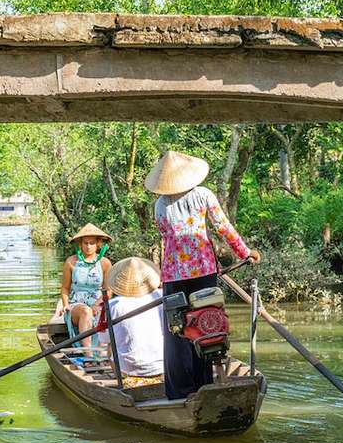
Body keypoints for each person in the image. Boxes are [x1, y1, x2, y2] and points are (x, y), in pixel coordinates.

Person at [146, 149, 255, 399]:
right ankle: (203, 385)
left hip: (173, 275)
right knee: (205, 326)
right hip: (203, 272)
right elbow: (223, 228)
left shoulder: (160, 205)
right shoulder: (203, 195)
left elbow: (166, 237)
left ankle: (179, 392)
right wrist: (245, 252)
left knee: (177, 331)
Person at [103, 256, 167, 379]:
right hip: (164, 365)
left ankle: (121, 380)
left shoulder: (113, 305)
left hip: (128, 369)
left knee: (110, 345)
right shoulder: (161, 296)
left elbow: (105, 339)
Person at [56, 223, 112, 352]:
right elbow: (65, 288)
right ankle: (88, 352)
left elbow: (108, 291)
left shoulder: (105, 263)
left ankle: (106, 352)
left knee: (112, 312)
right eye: (85, 243)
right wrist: (65, 305)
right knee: (86, 312)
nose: (88, 246)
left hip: (98, 303)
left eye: (91, 243)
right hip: (76, 305)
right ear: (80, 244)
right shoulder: (71, 262)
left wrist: (97, 305)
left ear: (98, 244)